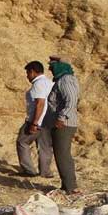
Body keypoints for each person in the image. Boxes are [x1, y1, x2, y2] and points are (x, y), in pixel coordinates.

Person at [45, 59, 80, 194]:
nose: (51, 70)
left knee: (63, 155)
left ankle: (71, 187)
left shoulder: (66, 80)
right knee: (62, 154)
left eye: (53, 67)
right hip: (62, 122)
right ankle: (67, 185)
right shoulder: (63, 80)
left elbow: (71, 100)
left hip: (64, 123)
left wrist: (62, 117)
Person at [16, 61, 54, 178]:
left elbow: (40, 104)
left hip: (37, 120)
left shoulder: (38, 84)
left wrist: (34, 123)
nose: (27, 76)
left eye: (28, 73)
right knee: (45, 146)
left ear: (32, 72)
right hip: (48, 120)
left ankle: (29, 170)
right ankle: (45, 172)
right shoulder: (49, 82)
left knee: (22, 142)